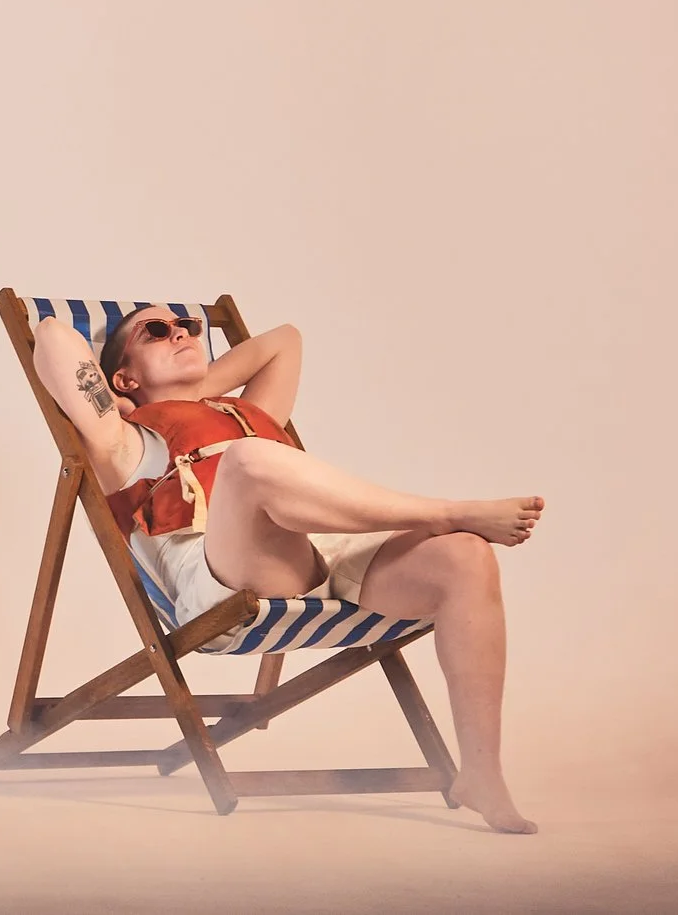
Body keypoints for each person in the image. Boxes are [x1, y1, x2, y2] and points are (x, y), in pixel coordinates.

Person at [34, 306, 544, 833]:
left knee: (465, 557)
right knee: (248, 460)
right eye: (157, 332)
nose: (181, 333)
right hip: (227, 582)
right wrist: (125, 396)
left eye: (188, 328)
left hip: (322, 551)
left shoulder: (243, 412)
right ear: (124, 377)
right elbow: (50, 334)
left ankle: (481, 773)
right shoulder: (120, 441)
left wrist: (192, 383)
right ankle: (443, 513)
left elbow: (285, 340)